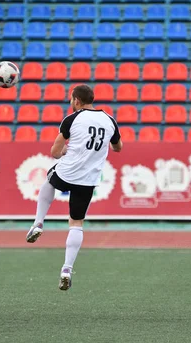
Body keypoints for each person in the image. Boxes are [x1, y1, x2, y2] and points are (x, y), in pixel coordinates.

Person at [26, 84, 123, 290]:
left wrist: (62, 153)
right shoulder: (109, 120)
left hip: (68, 172)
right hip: (89, 179)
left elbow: (54, 151)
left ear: (76, 100)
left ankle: (38, 223)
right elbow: (118, 147)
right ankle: (67, 268)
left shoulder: (72, 119)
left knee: (50, 178)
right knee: (76, 222)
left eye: (71, 99)